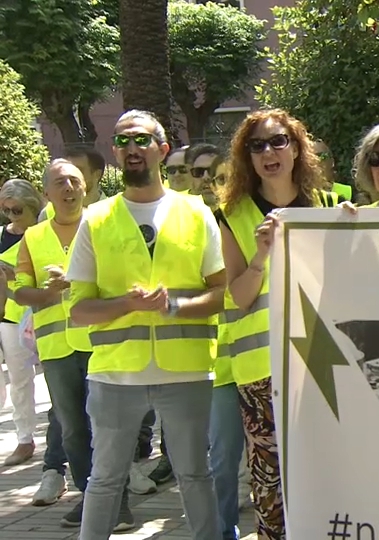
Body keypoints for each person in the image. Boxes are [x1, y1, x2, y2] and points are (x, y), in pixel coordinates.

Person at [67, 109, 224, 539]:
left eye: (140, 139)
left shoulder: (196, 213)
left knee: (195, 475)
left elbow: (221, 293)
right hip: (116, 373)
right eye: (121, 141)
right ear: (114, 152)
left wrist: (174, 306)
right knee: (104, 480)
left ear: (162, 148)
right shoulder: (94, 219)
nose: (131, 148)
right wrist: (125, 304)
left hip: (188, 369)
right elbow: (79, 311)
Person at [218, 108, 340, 539]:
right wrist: (260, 257)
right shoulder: (231, 214)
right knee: (271, 492)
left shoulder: (328, 205)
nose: (269, 152)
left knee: (328, 478)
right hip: (261, 373)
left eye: (278, 141)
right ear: (247, 157)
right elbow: (238, 296)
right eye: (257, 146)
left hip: (321, 366)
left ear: (296, 148)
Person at [12, 159, 120, 528]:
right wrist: (46, 293)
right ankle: (90, 498)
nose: (70, 188)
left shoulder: (104, 224)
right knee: (72, 429)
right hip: (57, 351)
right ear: (46, 193)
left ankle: (116, 502)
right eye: (61, 182)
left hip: (100, 342)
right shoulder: (34, 236)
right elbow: (20, 292)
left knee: (107, 425)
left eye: (75, 180)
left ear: (86, 186)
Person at [0, 179, 42, 467]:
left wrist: (13, 272)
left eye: (17, 210)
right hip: (12, 317)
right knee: (19, 380)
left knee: (58, 376)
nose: (12, 217)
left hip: (44, 312)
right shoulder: (2, 235)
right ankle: (25, 438)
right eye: (6, 210)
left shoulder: (44, 233)